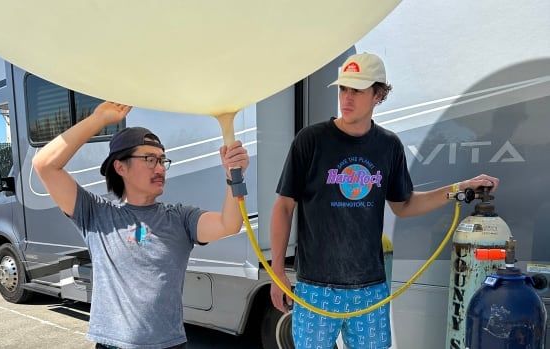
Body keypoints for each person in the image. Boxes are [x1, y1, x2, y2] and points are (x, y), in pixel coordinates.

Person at [268, 52, 499, 349]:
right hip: (316, 286)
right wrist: (277, 271)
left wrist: (459, 188)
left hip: (370, 286)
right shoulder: (310, 140)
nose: (346, 98)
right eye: (343, 89)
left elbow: (404, 205)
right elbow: (284, 206)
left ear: (378, 94)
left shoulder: (388, 146)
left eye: (357, 90)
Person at [32, 101, 249, 349]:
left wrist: (235, 175)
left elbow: (228, 224)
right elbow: (44, 165)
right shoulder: (96, 215)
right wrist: (98, 119)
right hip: (112, 345)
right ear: (120, 166)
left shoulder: (179, 218)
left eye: (162, 160)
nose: (160, 168)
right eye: (149, 159)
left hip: (169, 345)